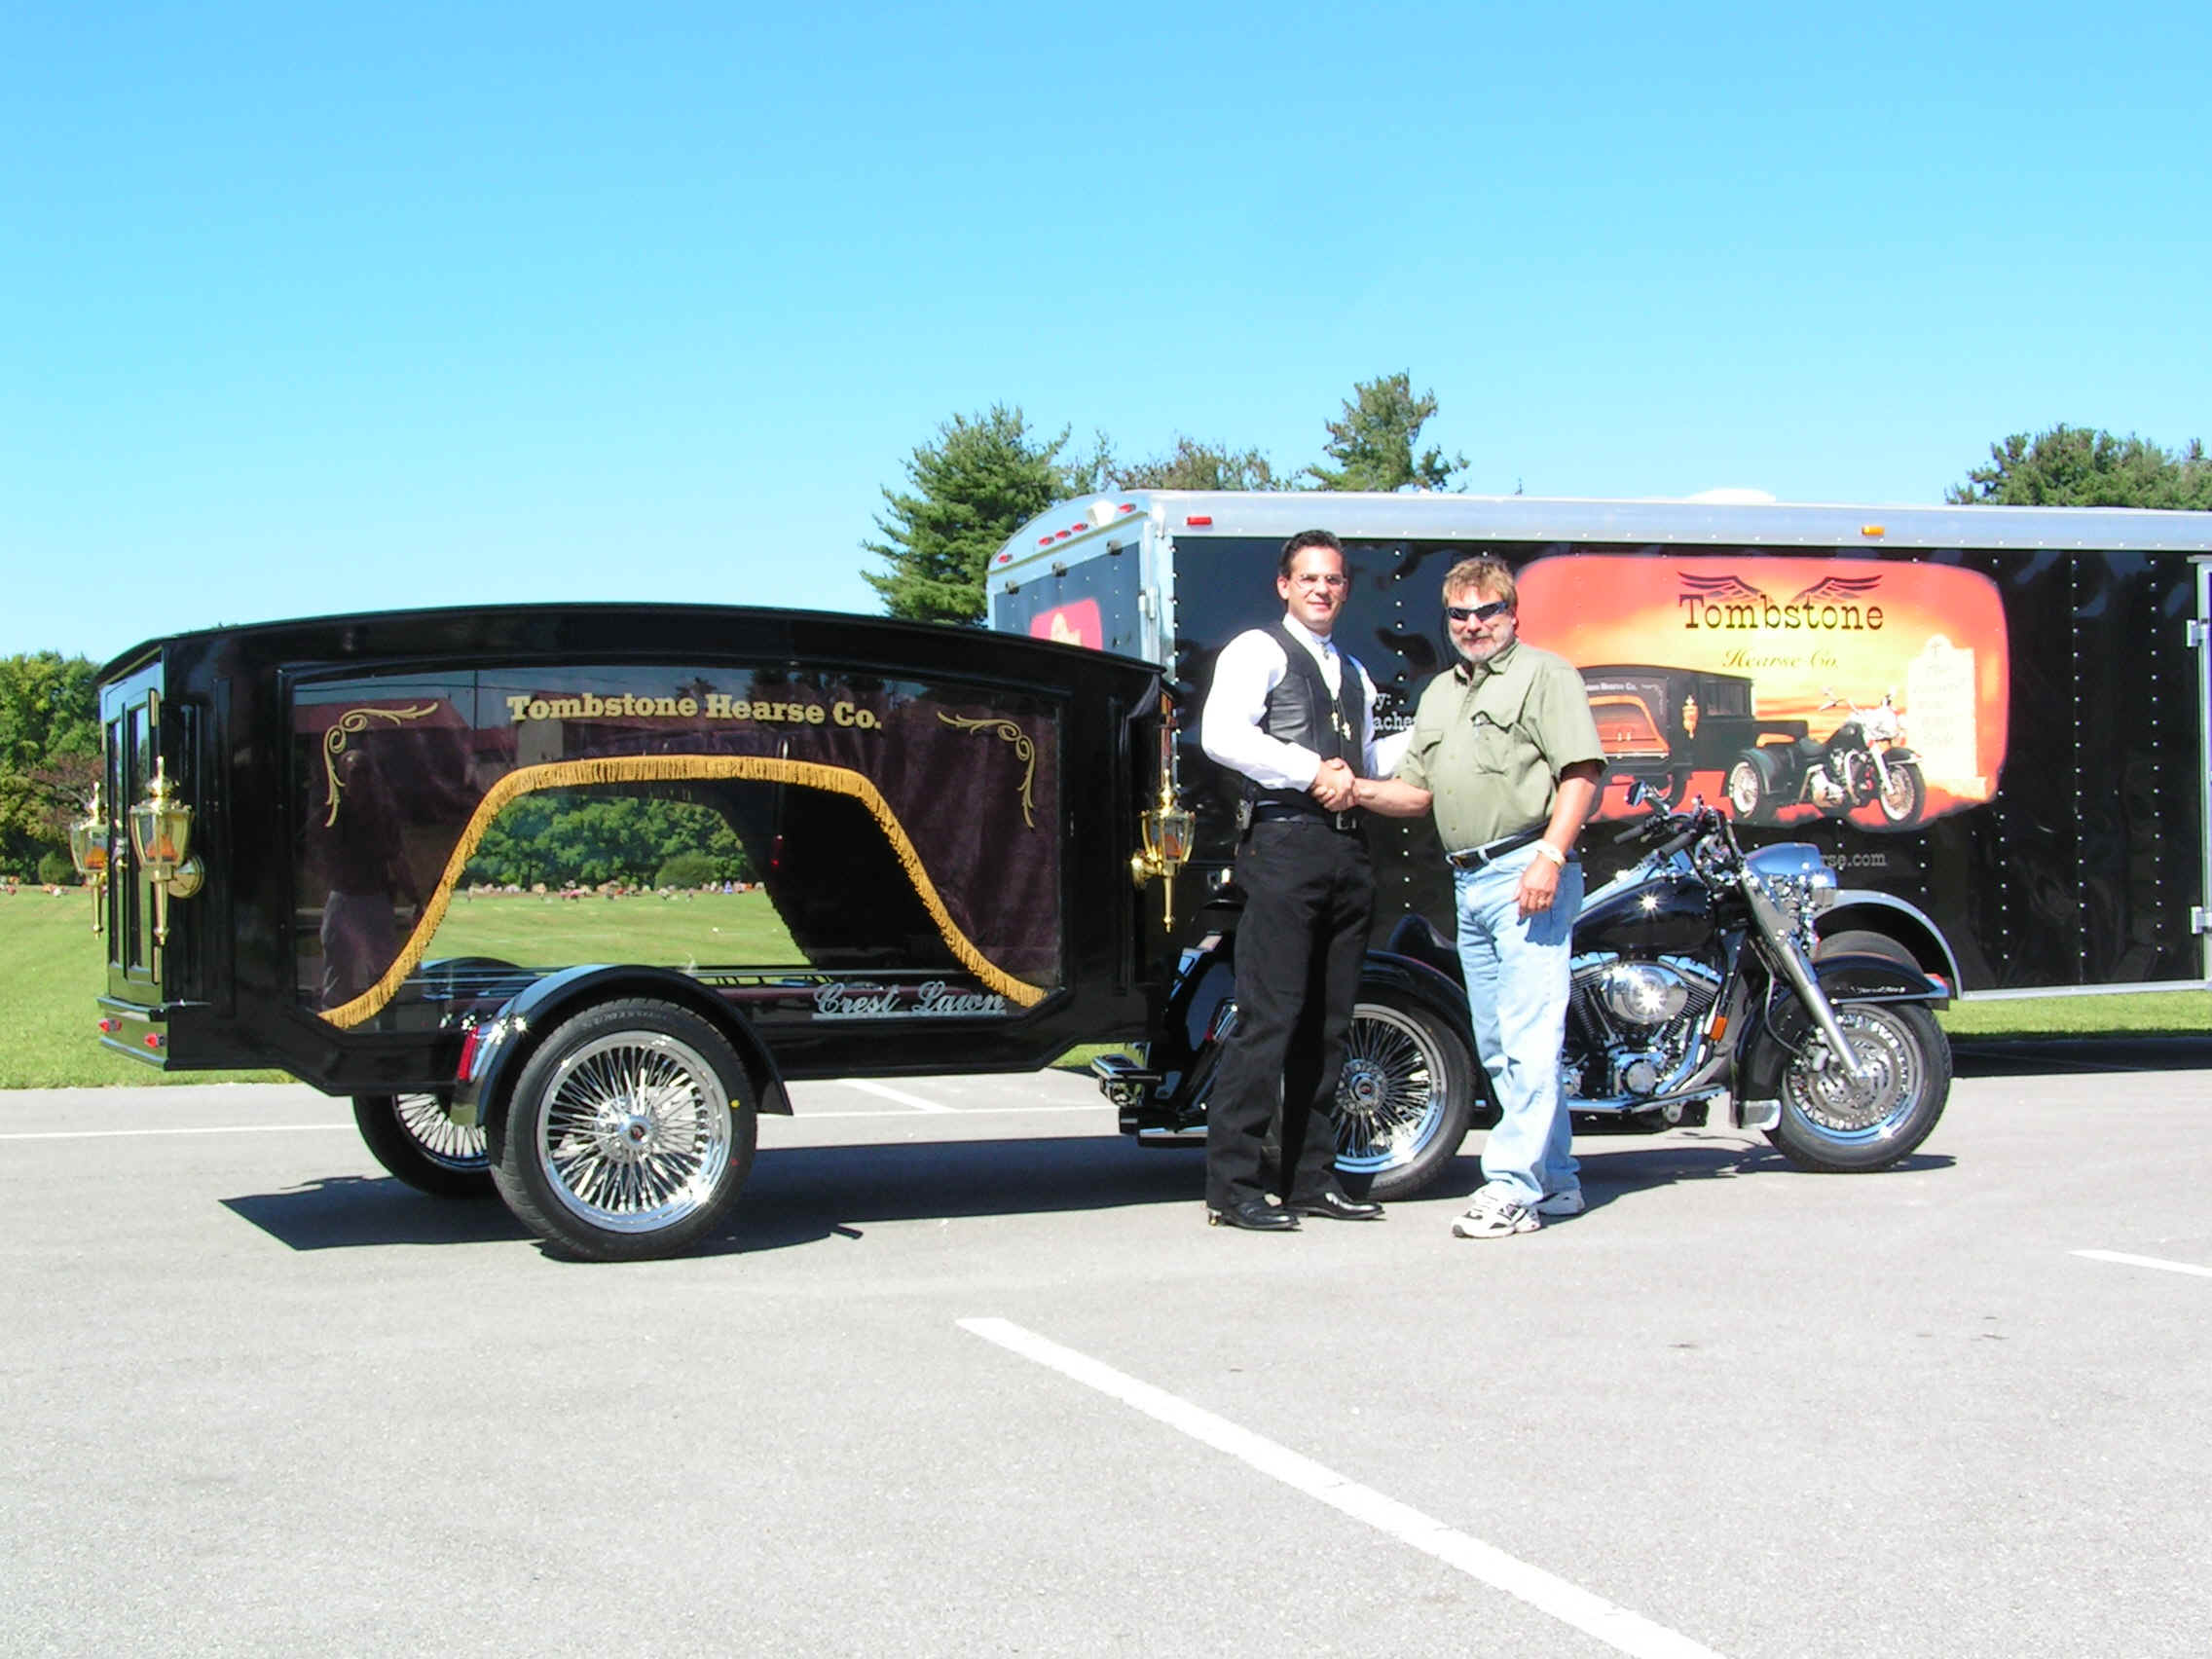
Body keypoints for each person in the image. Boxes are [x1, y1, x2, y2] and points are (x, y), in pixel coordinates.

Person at [1355, 556, 1604, 1238]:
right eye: (1460, 615)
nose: (1473, 625)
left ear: (1511, 613)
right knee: (1498, 1045)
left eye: (1486, 612)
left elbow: (1581, 774)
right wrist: (1352, 789)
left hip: (1527, 870)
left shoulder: (1544, 675)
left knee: (1529, 1037)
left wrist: (1550, 856)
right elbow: (1416, 792)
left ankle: (1511, 1190)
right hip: (1471, 881)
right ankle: (1557, 1183)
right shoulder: (1440, 694)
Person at [1197, 529, 1390, 1232]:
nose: (1321, 589)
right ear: (1284, 585)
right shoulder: (1259, 650)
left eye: (1333, 579)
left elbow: (1368, 758)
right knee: (1269, 1018)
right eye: (1308, 578)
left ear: (1345, 588)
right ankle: (1233, 1187)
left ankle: (1310, 1177)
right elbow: (1222, 734)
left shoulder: (1355, 672)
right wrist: (1311, 772)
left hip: (1346, 849)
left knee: (1329, 1027)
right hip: (1282, 844)